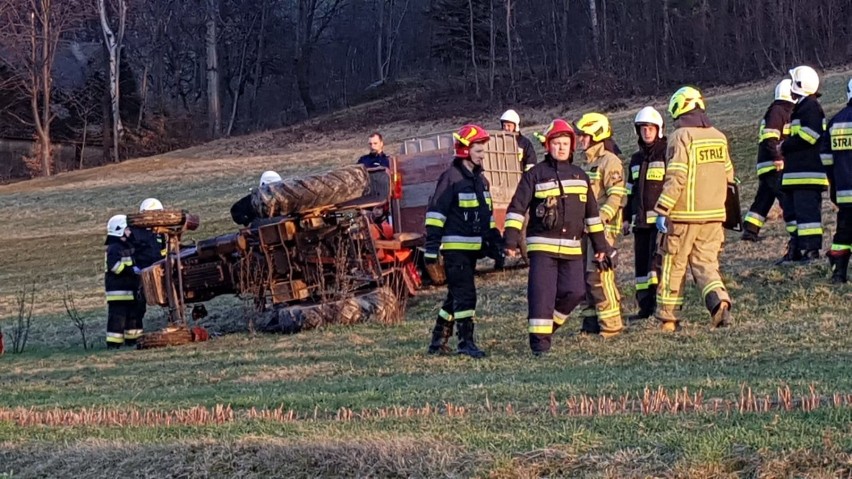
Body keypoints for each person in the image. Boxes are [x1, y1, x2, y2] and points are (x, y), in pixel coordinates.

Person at [503, 119, 615, 356]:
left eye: (565, 143)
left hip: (573, 249)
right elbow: (516, 208)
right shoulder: (535, 175)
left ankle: (547, 328)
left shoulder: (580, 176)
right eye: (557, 143)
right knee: (542, 295)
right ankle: (540, 346)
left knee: (575, 292)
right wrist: (511, 240)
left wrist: (600, 246)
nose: (561, 147)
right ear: (548, 146)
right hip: (542, 248)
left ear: (571, 147)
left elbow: (592, 216)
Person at [654, 86, 734, 331]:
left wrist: (662, 209)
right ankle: (719, 302)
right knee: (706, 264)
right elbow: (730, 176)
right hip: (714, 215)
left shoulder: (681, 136)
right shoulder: (719, 137)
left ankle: (668, 319)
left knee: (673, 265)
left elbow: (677, 176)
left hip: (683, 216)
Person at [424, 124, 497, 358]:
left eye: (483, 150)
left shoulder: (480, 181)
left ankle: (438, 341)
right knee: (466, 295)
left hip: (472, 250)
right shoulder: (451, 179)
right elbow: (436, 214)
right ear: (465, 150)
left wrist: (497, 244)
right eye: (478, 150)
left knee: (455, 296)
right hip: (455, 250)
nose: (482, 155)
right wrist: (432, 248)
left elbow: (487, 217)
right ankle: (465, 343)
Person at [574, 112, 626, 337]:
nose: (580, 140)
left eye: (583, 136)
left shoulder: (610, 161)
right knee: (584, 276)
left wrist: (601, 219)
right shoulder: (587, 162)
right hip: (584, 230)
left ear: (596, 135)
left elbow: (616, 196)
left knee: (599, 275)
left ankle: (611, 325)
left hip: (603, 230)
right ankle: (590, 323)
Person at [778, 66, 828, 263]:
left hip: (807, 174)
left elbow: (811, 134)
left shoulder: (811, 107)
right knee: (793, 214)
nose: (790, 86)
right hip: (796, 174)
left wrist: (785, 145)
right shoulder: (802, 106)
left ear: (800, 85)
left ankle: (811, 251)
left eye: (793, 82)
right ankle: (797, 247)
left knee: (808, 216)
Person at [623, 106, 667, 321]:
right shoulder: (635, 160)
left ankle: (659, 307)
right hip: (639, 224)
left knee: (655, 267)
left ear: (658, 129)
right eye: (643, 129)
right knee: (641, 269)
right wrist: (624, 218)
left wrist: (667, 214)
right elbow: (629, 193)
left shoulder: (668, 153)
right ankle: (645, 308)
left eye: (650, 128)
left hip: (660, 224)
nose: (647, 132)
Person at [742, 79, 796, 242]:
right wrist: (778, 158)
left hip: (768, 164)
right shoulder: (779, 111)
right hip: (773, 164)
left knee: (764, 199)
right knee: (786, 197)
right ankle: (797, 230)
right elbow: (770, 138)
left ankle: (750, 229)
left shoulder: (781, 110)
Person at [127, 197, 167, 344]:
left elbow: (162, 250)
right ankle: (133, 338)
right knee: (137, 307)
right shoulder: (135, 232)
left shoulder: (160, 232)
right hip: (140, 273)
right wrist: (135, 269)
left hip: (157, 270)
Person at [824, 78, 852, 283]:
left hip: (844, 192)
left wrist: (834, 188)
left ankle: (839, 273)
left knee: (844, 234)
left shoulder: (836, 122)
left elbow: (826, 160)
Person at [104, 215, 140, 349]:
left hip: (129, 290)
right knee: (117, 318)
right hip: (118, 292)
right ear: (120, 230)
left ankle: (133, 340)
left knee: (132, 317)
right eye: (128, 229)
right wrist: (129, 270)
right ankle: (114, 344)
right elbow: (114, 266)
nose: (130, 232)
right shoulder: (114, 248)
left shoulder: (128, 246)